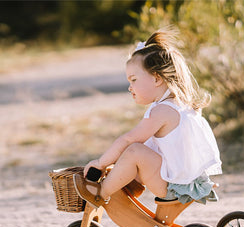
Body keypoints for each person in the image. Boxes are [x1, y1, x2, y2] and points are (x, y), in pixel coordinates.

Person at [74, 28, 222, 208]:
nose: (130, 87)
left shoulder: (162, 111)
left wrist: (100, 163)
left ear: (157, 78)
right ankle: (129, 182)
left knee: (134, 150)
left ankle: (100, 193)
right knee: (137, 152)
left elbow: (128, 139)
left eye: (134, 80)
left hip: (173, 184)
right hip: (179, 179)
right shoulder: (179, 104)